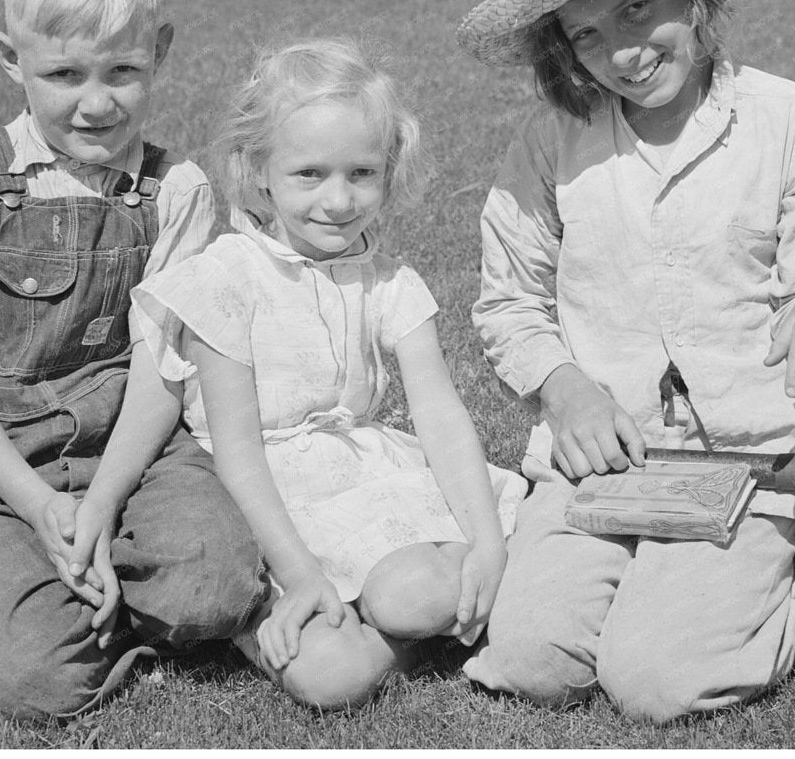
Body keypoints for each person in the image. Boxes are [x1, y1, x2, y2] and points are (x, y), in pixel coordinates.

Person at [452, 0, 795, 723]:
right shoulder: (549, 141)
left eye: (639, 8)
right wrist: (564, 391)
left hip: (751, 455)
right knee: (529, 656)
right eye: (588, 34)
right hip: (601, 456)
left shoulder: (788, 117)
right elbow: (507, 301)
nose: (624, 53)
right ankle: (660, 577)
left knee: (652, 681)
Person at [0, 0, 266, 719]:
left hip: (137, 444)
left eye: (124, 70)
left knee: (222, 588)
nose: (96, 102)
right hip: (0, 466)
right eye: (64, 72)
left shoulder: (178, 192)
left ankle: (85, 572)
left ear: (160, 51)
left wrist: (99, 501)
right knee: (39, 682)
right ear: (11, 59)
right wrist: (41, 505)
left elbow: (161, 371)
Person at [120, 39, 527, 711]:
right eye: (309, 174)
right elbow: (241, 454)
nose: (338, 200)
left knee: (418, 593)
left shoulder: (391, 280)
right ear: (257, 171)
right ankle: (413, 633)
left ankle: (424, 602)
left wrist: (486, 544)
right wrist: (302, 574)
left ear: (388, 171)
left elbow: (441, 414)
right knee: (330, 676)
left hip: (360, 473)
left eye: (360, 173)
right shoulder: (228, 279)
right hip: (266, 505)